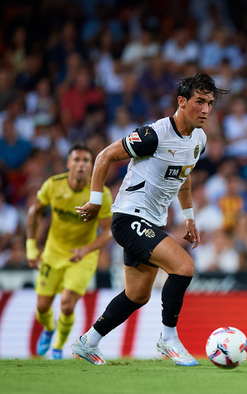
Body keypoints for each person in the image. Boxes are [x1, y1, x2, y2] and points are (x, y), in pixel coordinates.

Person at [71, 73, 229, 366]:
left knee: (137, 295)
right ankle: (168, 339)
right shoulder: (153, 134)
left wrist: (189, 216)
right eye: (199, 102)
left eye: (209, 103)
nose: (206, 110)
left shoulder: (200, 139)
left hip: (151, 222)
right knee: (183, 267)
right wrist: (95, 201)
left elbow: (183, 177)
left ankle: (88, 342)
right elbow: (105, 156)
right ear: (181, 102)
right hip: (129, 216)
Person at [27, 144, 113, 359]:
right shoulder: (53, 185)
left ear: (92, 166)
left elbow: (109, 231)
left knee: (66, 304)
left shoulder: (100, 193)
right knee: (42, 308)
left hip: (83, 255)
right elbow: (34, 212)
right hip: (53, 253)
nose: (81, 165)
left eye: (86, 161)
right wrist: (30, 246)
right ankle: (49, 329)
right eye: (77, 160)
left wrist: (86, 250)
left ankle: (58, 346)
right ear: (68, 164)